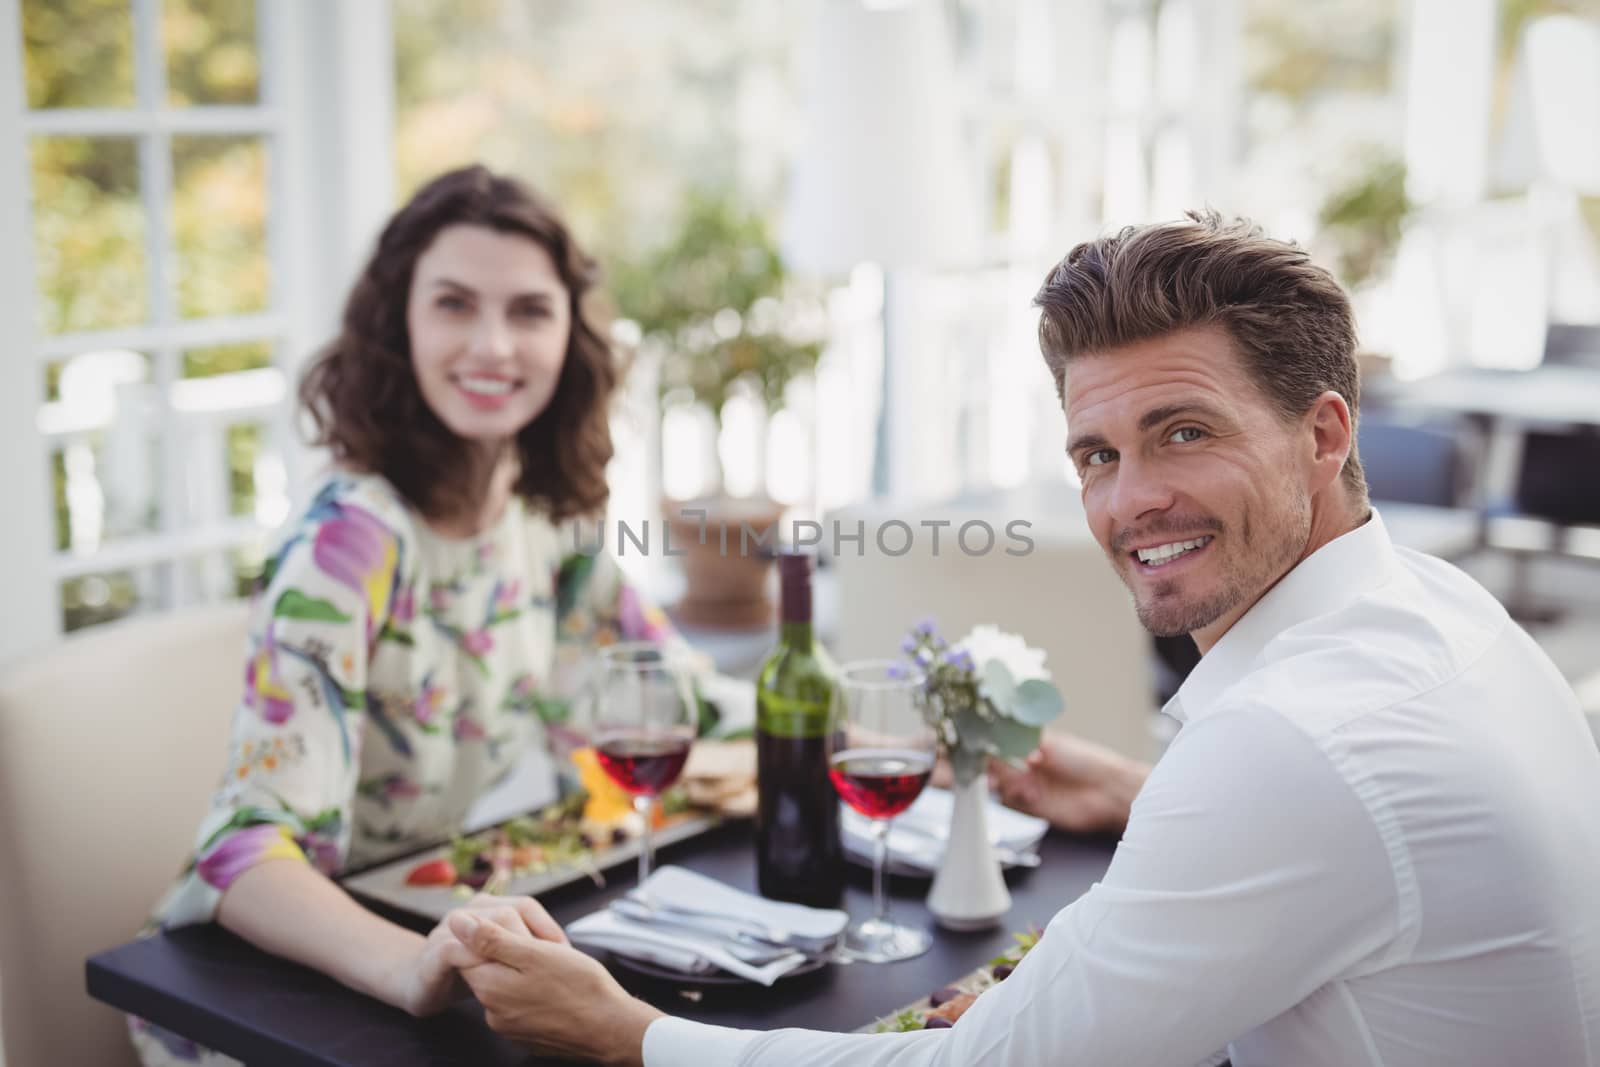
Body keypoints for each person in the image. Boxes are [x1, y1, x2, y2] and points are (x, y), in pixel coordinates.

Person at [435, 212, 1600, 1066]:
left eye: (1182, 430)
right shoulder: (1439, 607)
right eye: (1096, 454)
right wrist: (1151, 795)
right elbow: (1365, 842)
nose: (1129, 499)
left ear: (1321, 430)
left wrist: (630, 1031)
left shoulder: (1288, 743)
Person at [130, 164, 692, 1066]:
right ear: (401, 321)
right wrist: (415, 964)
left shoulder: (546, 521)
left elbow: (677, 697)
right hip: (275, 991)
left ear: (569, 334)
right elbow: (241, 855)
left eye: (529, 311)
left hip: (435, 934)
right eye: (455, 304)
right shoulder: (347, 543)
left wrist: (916, 735)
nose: (493, 345)